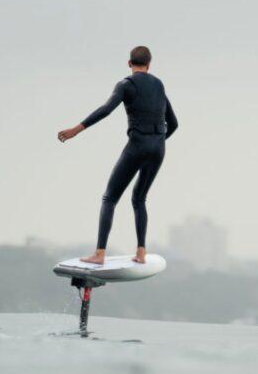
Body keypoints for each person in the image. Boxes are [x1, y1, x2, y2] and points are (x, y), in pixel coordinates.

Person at [57, 46, 178, 264]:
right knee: (139, 198)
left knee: (110, 197)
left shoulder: (126, 85)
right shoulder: (159, 85)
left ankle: (99, 254)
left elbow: (106, 109)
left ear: (129, 63)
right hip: (159, 148)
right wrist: (155, 144)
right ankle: (141, 252)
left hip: (138, 145)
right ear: (149, 65)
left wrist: (77, 129)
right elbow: (174, 123)